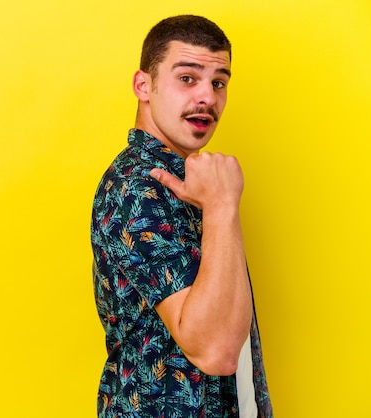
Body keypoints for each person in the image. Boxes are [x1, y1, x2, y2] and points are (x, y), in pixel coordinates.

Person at [90, 15, 272, 417]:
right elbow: (217, 350)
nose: (207, 97)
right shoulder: (140, 187)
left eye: (219, 82)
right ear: (144, 86)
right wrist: (224, 206)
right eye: (187, 78)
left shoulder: (189, 180)